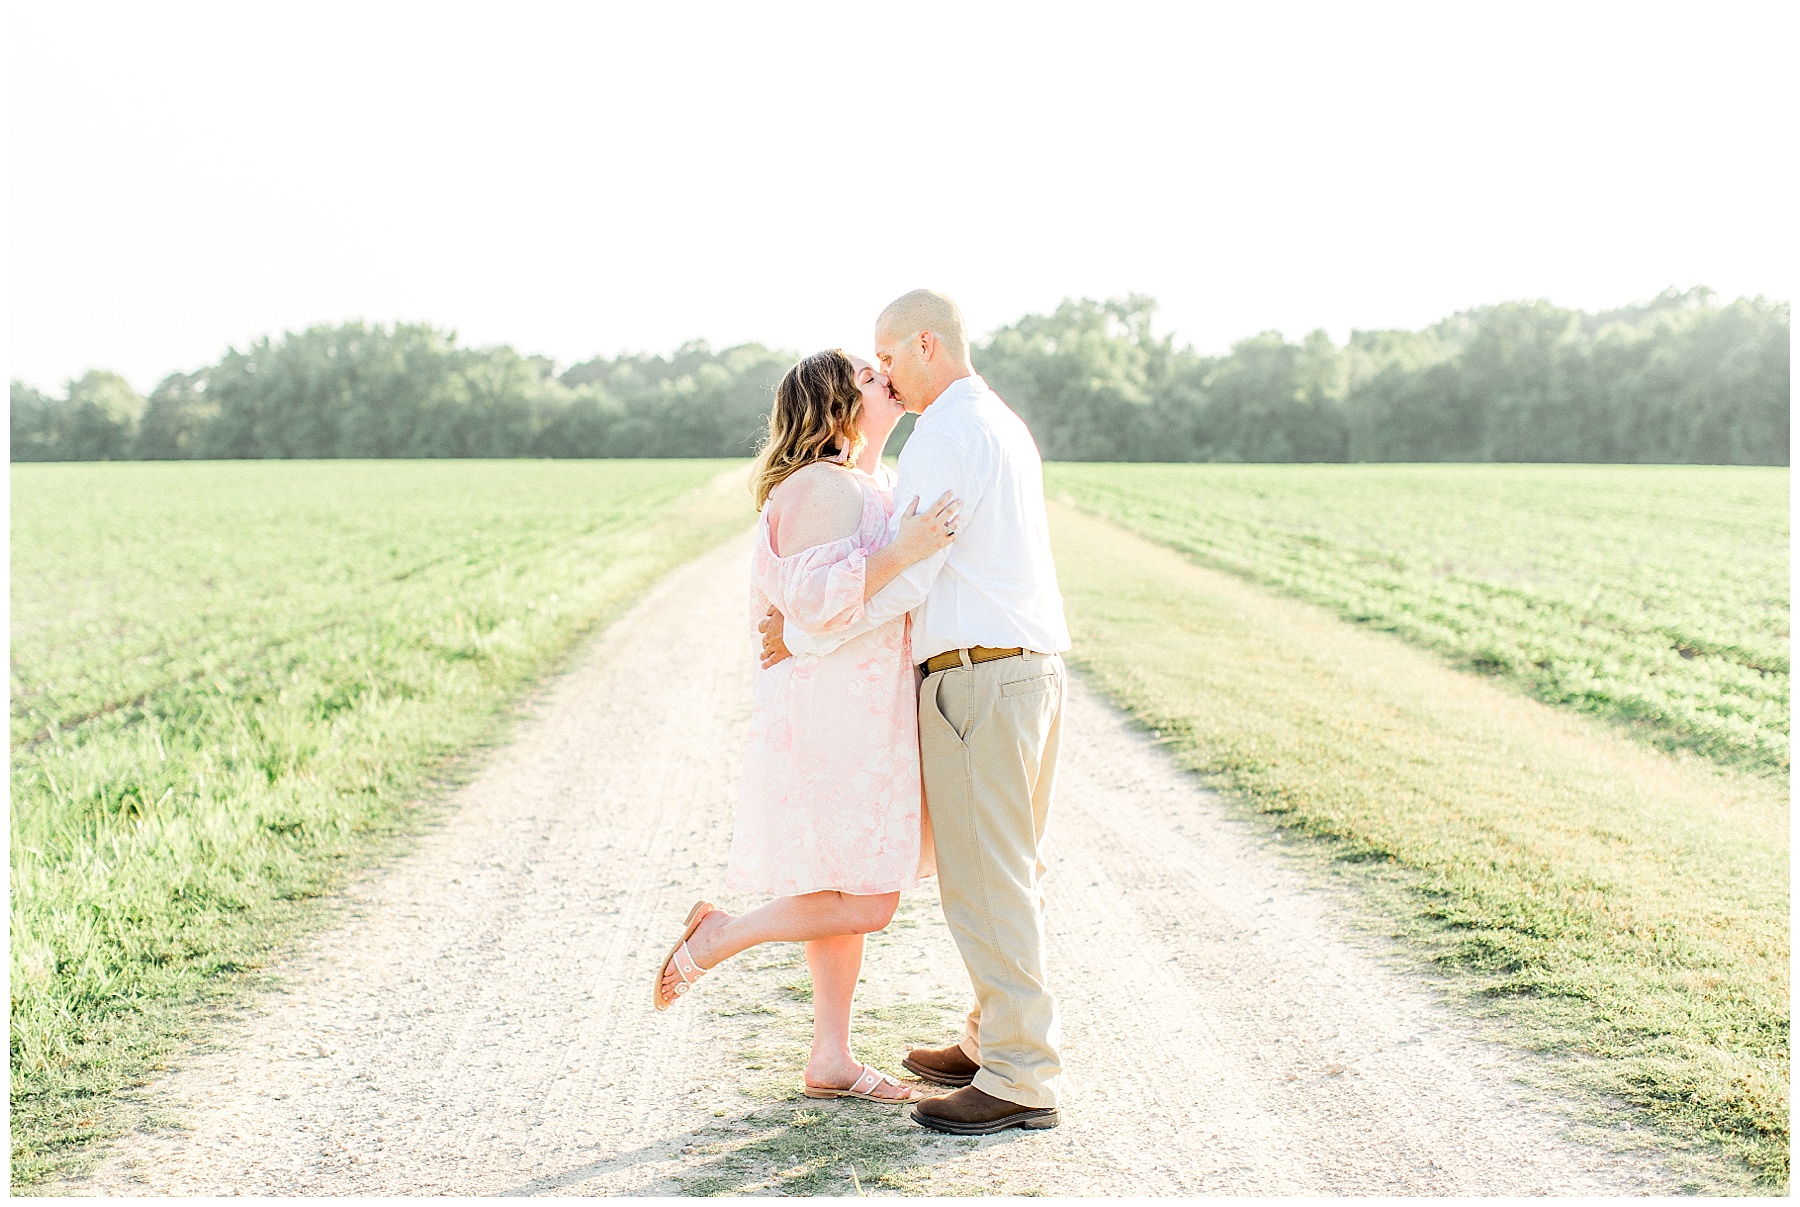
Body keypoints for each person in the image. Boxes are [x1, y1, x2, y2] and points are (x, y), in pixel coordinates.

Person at [763, 290, 1072, 1136]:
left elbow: (907, 572)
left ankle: (1020, 1074)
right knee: (1013, 865)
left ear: (925, 343)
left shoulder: (942, 434)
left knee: (985, 878)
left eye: (888, 356)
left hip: (978, 678)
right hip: (1031, 670)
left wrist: (805, 632)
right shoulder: (999, 421)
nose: (886, 376)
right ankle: (992, 1037)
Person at [653, 348, 960, 1106]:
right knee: (870, 896)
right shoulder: (823, 484)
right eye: (863, 373)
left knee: (842, 878)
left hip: (860, 702)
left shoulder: (867, 483)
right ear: (833, 407)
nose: (881, 374)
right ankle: (721, 934)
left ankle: (830, 1056)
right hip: (838, 710)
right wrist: (907, 549)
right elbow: (817, 600)